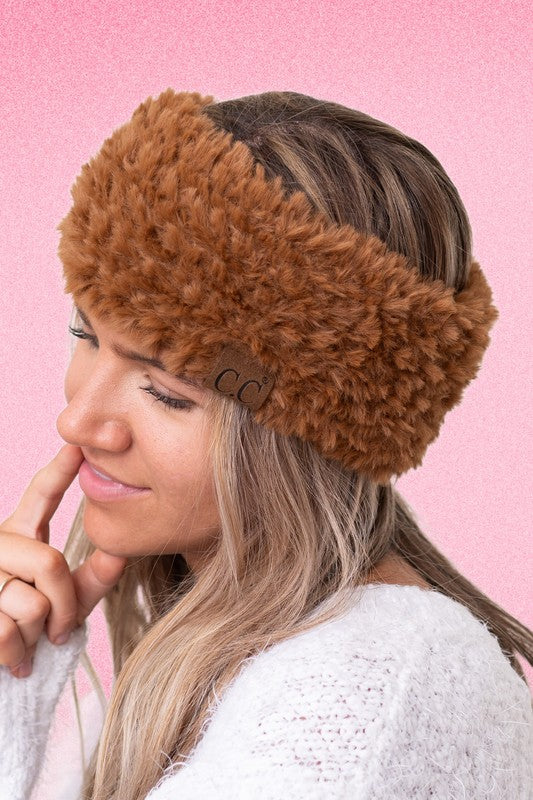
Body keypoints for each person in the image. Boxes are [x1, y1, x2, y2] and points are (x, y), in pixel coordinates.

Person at [0, 88, 531, 800]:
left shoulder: (356, 697)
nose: (80, 421)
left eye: (168, 392)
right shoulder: (252, 660)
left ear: (316, 436)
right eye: (85, 337)